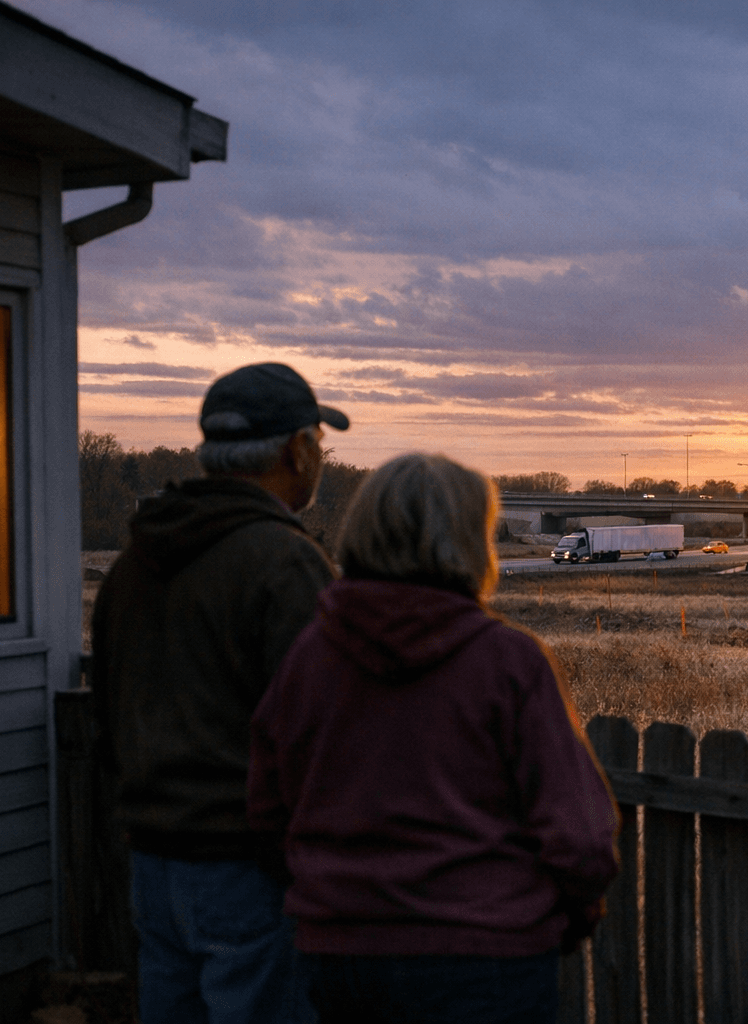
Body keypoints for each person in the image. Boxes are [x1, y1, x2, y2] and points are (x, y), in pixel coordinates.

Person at [249, 453, 619, 1024]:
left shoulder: (310, 657)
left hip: (340, 955)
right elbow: (579, 836)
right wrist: (561, 919)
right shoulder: (508, 662)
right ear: (472, 540)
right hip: (485, 957)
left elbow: (269, 808)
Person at [91, 362, 349, 1024]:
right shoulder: (285, 563)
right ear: (298, 450)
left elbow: (110, 716)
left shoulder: (133, 565)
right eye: (320, 441)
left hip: (153, 862)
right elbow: (322, 734)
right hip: (249, 873)